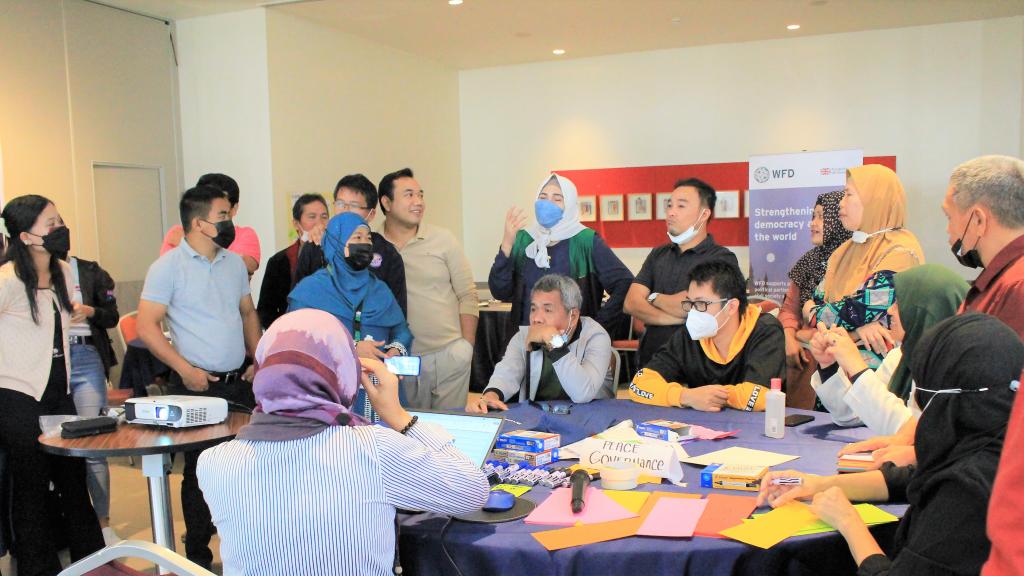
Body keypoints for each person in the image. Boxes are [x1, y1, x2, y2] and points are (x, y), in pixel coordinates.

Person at [197, 309, 489, 576]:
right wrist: (399, 417)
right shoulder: (373, 450)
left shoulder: (213, 463)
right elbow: (473, 492)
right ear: (344, 372)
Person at [758, 314, 1023, 576]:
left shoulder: (965, 493)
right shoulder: (997, 446)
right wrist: (816, 484)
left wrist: (848, 522)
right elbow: (907, 479)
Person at [138, 184, 261, 568]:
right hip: (195, 384)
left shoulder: (234, 264)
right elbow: (147, 325)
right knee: (199, 471)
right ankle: (197, 555)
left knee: (244, 466)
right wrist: (184, 369)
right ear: (198, 223)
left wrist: (259, 358)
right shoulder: (167, 268)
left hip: (237, 381)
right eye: (223, 216)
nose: (230, 223)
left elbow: (247, 313)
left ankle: (246, 549)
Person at [0, 195, 104, 576]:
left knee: (74, 482)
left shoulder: (62, 270)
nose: (60, 229)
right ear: (26, 236)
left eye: (60, 220)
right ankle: (36, 568)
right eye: (51, 223)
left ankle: (93, 564)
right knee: (31, 489)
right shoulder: (7, 280)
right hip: (17, 396)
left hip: (60, 392)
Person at [809, 265, 968, 436]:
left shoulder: (954, 368)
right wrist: (829, 367)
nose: (890, 311)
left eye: (899, 304)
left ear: (925, 312)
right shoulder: (899, 356)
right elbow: (853, 415)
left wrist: (856, 367)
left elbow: (913, 434)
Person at [289, 212, 412, 420]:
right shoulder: (311, 291)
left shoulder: (379, 289)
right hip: (329, 398)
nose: (365, 244)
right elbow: (296, 343)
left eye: (368, 238)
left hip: (381, 397)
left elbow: (401, 330)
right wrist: (352, 349)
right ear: (336, 242)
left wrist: (396, 349)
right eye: (357, 238)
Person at [489, 173, 634, 339]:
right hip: (526, 344)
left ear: (570, 205)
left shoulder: (585, 241)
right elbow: (500, 292)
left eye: (557, 198)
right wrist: (507, 245)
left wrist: (595, 327)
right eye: (542, 197)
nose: (547, 203)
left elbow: (626, 284)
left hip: (572, 348)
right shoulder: (524, 239)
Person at [628, 260, 786, 411]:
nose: (693, 312)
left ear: (731, 307)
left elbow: (760, 396)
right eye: (690, 304)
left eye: (701, 304)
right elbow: (640, 384)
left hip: (758, 431)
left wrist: (709, 396)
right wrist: (685, 396)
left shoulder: (765, 331)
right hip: (702, 429)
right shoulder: (690, 335)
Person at [380, 168, 478, 410]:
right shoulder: (374, 244)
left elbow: (468, 295)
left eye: (420, 195)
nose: (418, 202)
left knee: (449, 432)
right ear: (386, 202)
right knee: (407, 433)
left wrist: (466, 346)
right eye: (409, 195)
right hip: (399, 358)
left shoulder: (443, 239)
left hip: (447, 355)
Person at [809, 165, 924, 370]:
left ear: (874, 200)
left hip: (877, 376)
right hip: (832, 366)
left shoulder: (900, 251)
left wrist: (813, 313)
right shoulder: (845, 250)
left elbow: (857, 311)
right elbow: (817, 304)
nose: (840, 205)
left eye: (848, 195)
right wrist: (854, 330)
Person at [625, 178, 739, 366]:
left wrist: (654, 297)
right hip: (652, 359)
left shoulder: (721, 258)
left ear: (704, 214)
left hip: (699, 363)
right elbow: (631, 302)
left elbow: (696, 304)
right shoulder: (658, 254)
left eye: (681, 206)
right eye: (669, 205)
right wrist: (670, 318)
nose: (671, 212)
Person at [468, 274, 613, 412]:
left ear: (573, 316)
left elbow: (583, 393)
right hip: (540, 419)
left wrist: (554, 342)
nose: (537, 318)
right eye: (533, 309)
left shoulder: (595, 336)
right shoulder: (524, 336)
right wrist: (490, 396)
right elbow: (506, 374)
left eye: (548, 310)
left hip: (590, 422)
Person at [58, 234, 122, 544]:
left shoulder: (90, 271)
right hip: (49, 359)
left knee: (93, 444)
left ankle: (103, 524)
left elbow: (113, 315)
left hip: (85, 354)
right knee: (55, 446)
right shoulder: (25, 274)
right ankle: (69, 524)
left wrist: (90, 311)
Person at [778, 191, 851, 396]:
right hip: (803, 357)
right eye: (813, 216)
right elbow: (789, 310)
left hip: (841, 354)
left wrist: (805, 333)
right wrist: (789, 337)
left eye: (821, 216)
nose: (813, 223)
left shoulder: (854, 263)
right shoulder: (807, 262)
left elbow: (849, 315)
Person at [943, 155, 1024, 338]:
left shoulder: (1017, 286)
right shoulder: (1004, 277)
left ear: (978, 220)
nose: (948, 229)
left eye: (949, 217)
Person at [160, 173, 262, 276]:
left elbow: (241, 267)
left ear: (234, 209)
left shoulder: (245, 235)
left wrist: (189, 245)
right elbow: (170, 273)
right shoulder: (177, 232)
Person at [256, 193, 329, 328]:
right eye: (312, 217)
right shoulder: (278, 261)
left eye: (324, 217)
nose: (320, 223)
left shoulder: (338, 257)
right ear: (296, 224)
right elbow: (265, 311)